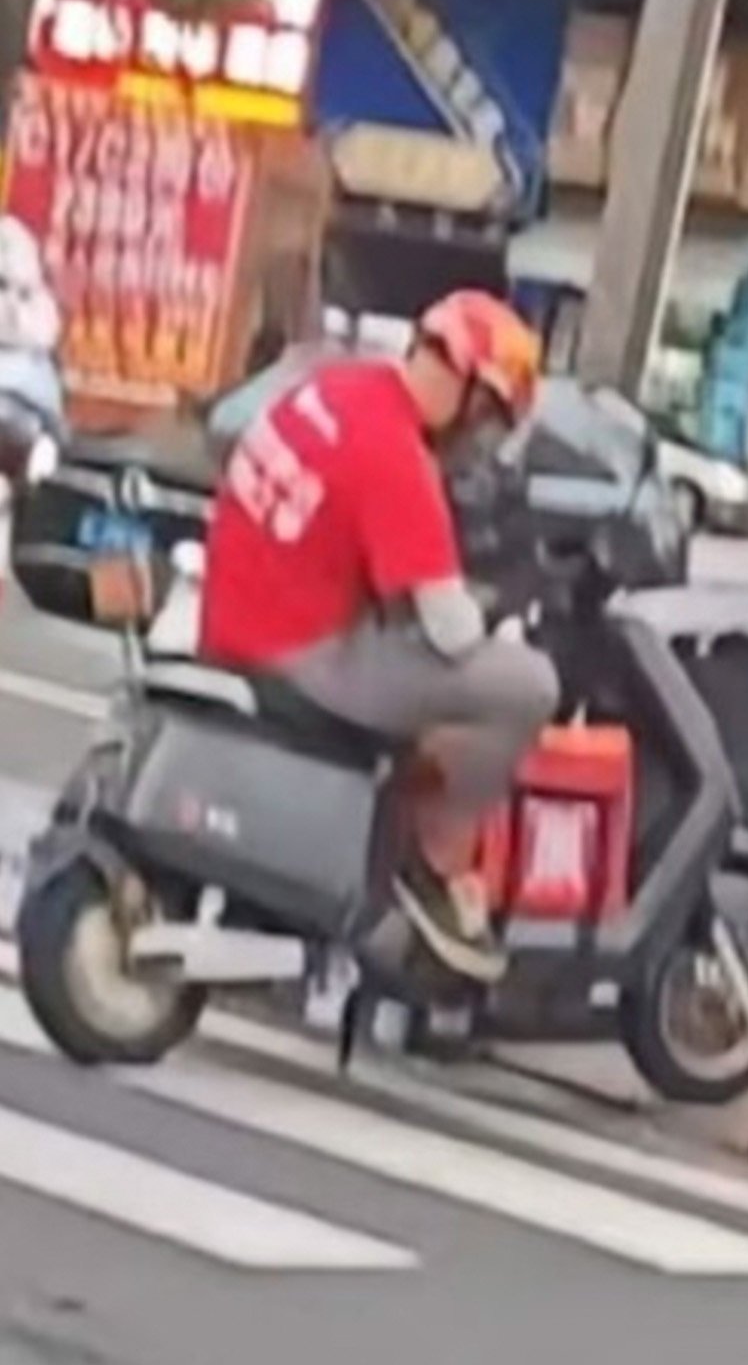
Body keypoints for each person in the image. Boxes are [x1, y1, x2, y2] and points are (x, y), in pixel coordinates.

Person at [199, 290, 561, 984]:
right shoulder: (397, 455)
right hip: (304, 653)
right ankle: (435, 857)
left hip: (243, 617)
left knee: (433, 667)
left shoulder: (340, 388)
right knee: (525, 686)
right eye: (486, 418)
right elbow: (452, 634)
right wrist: (496, 608)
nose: (477, 438)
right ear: (467, 387)